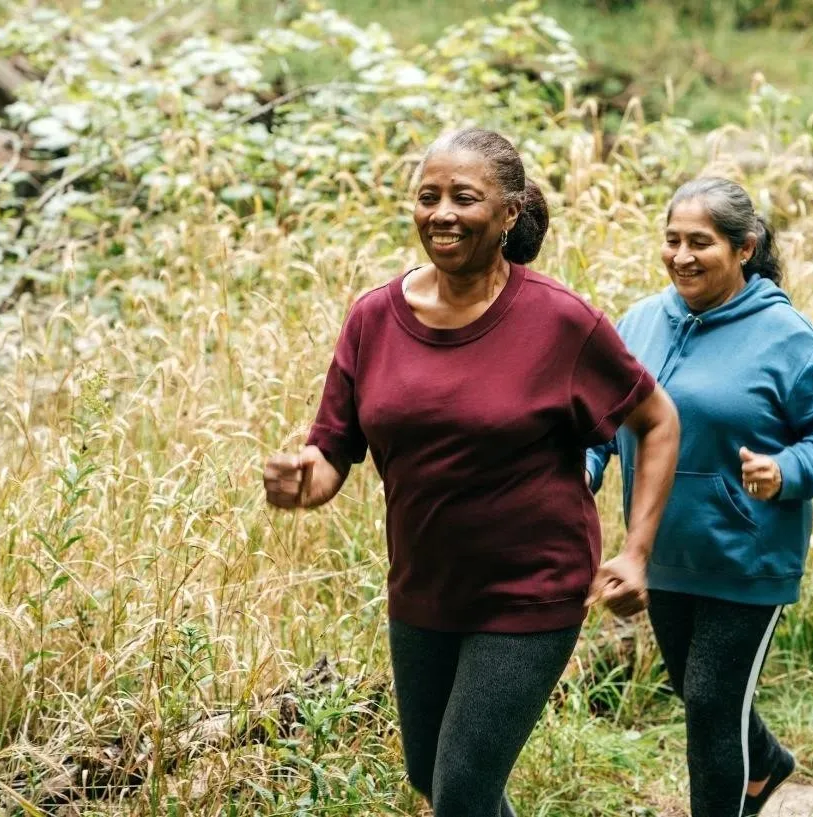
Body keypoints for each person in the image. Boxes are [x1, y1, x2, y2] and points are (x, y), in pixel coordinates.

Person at [262, 128, 679, 817]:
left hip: (531, 587)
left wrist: (636, 551)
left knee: (461, 790)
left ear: (511, 211)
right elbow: (334, 447)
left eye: (464, 196)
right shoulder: (374, 317)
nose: (441, 213)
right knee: (435, 777)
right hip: (424, 586)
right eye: (428, 197)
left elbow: (657, 420)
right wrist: (307, 479)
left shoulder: (559, 321)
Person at [587, 178, 813, 817]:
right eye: (673, 240)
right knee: (698, 691)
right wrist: (585, 463)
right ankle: (767, 764)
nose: (682, 256)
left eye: (701, 243)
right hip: (660, 548)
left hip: (747, 555)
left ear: (744, 248)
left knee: (711, 707)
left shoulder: (784, 335)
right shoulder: (640, 322)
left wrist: (787, 469)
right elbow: (601, 414)